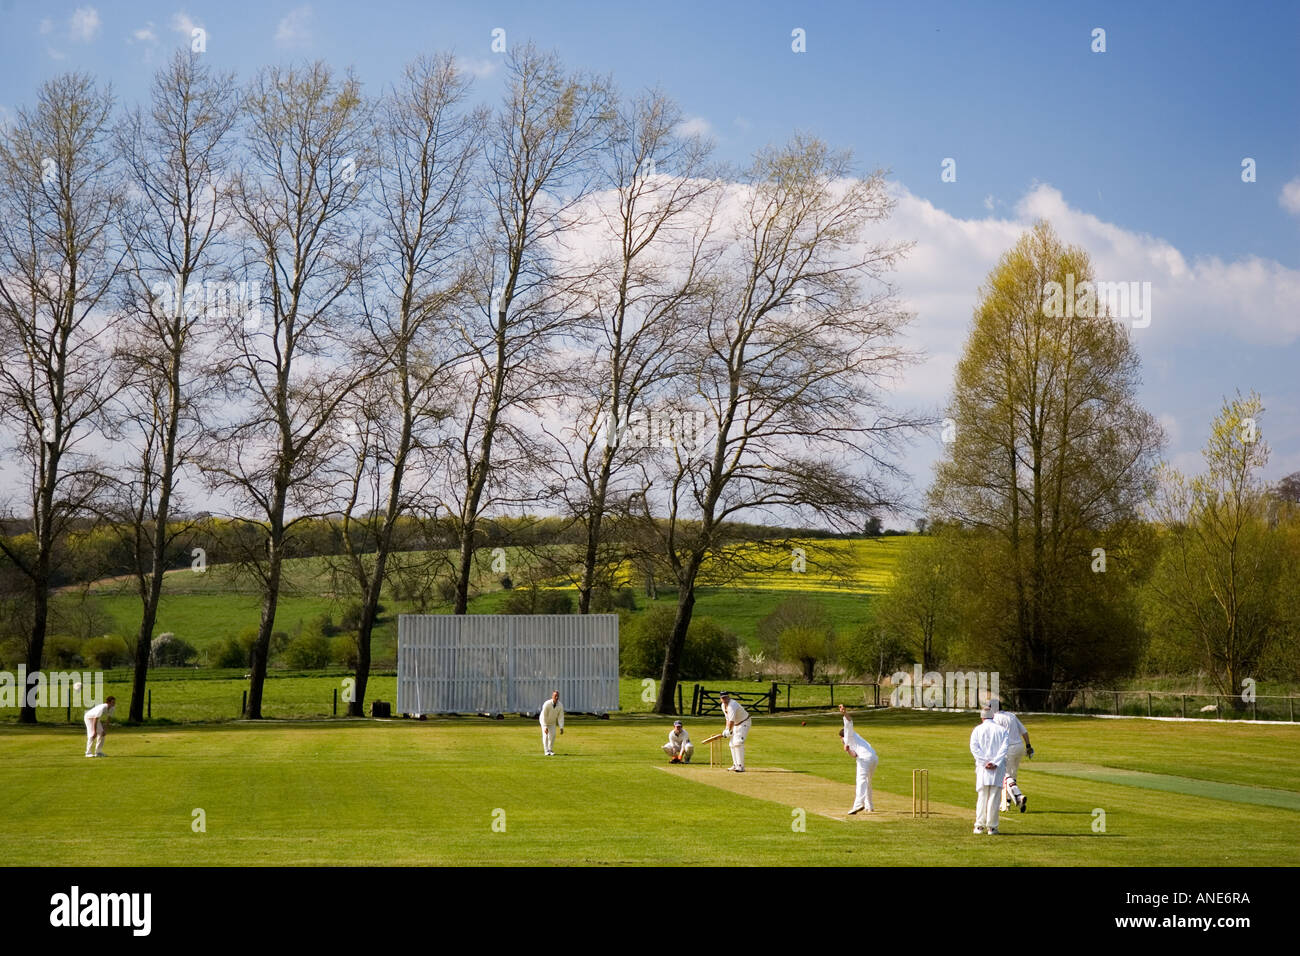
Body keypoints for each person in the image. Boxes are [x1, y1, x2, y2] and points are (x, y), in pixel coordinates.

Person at [969, 704, 1009, 834]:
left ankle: (979, 826)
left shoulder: (977, 730)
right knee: (994, 797)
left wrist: (985, 762)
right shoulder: (1002, 730)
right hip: (997, 768)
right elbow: (1004, 748)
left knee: (982, 796)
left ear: (982, 718)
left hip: (983, 768)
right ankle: (992, 827)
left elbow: (974, 748)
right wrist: (995, 762)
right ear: (993, 717)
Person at [991, 700, 1033, 812]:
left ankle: (1019, 797)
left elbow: (995, 736)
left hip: (1008, 749)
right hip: (1019, 747)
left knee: (1004, 775)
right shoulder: (1011, 715)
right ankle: (1007, 803)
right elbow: (1024, 731)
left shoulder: (995, 718)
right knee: (1012, 776)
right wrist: (1028, 746)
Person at [838, 704, 878, 814]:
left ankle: (858, 805)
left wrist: (844, 712)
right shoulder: (852, 740)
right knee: (868, 781)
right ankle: (869, 806)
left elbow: (849, 722)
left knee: (861, 781)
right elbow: (854, 755)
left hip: (865, 759)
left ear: (842, 737)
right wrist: (848, 750)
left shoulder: (848, 734)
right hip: (873, 757)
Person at [719, 691, 751, 772]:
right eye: (723, 698)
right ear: (720, 699)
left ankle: (740, 766)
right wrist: (726, 729)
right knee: (732, 744)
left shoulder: (732, 705)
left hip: (744, 722)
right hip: (736, 724)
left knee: (738, 742)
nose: (724, 699)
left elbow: (732, 721)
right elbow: (728, 719)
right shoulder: (723, 706)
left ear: (728, 697)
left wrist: (729, 730)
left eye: (726, 697)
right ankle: (735, 765)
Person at [539, 690, 564, 756]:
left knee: (553, 735)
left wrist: (561, 727)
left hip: (552, 722)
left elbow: (560, 717)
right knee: (546, 735)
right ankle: (546, 751)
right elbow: (544, 715)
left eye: (557, 696)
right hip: (544, 720)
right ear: (552, 696)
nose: (556, 697)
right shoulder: (547, 704)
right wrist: (545, 726)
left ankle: (550, 749)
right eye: (555, 696)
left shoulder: (560, 705)